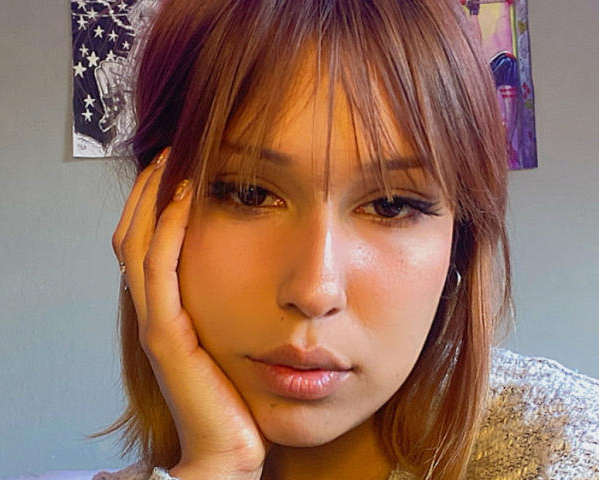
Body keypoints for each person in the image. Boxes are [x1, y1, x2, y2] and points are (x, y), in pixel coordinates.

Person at [93, 0, 599, 479]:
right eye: (250, 193)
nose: (315, 291)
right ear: (150, 220)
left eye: (390, 205)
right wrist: (216, 466)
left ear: (459, 242)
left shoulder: (571, 451)